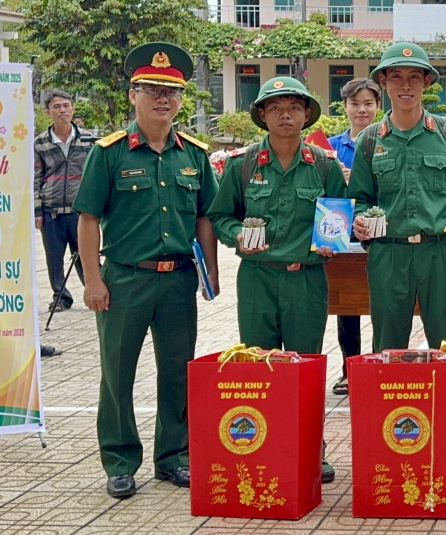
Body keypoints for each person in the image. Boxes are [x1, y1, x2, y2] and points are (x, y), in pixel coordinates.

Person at [75, 42, 219, 500]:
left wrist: (210, 276)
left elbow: (205, 217)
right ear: (133, 94)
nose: (163, 99)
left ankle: (174, 457)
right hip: (124, 278)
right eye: (153, 90)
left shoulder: (194, 154)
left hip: (177, 278)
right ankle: (120, 461)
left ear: (181, 100)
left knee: (178, 371)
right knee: (117, 372)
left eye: (172, 92)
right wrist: (92, 281)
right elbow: (88, 218)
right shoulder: (110, 152)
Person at [208, 77, 344, 484]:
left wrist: (333, 239)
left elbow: (338, 214)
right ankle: (264, 448)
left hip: (306, 279)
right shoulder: (242, 165)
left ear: (306, 115)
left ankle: (311, 451)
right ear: (263, 115)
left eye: (294, 107)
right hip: (257, 279)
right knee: (259, 367)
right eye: (276, 108)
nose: (285, 115)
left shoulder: (324, 164)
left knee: (306, 367)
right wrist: (237, 237)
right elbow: (220, 216)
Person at [348, 43, 446, 352]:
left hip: (440, 252)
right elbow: (360, 199)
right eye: (396, 77)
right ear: (384, 83)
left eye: (415, 77)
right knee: (387, 346)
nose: (406, 85)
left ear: (426, 82)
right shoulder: (370, 140)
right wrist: (360, 220)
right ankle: (389, 401)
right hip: (389, 254)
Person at [327, 77, 382, 396]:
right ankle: (349, 368)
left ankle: (375, 364)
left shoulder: (386, 140)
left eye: (368, 104)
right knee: (346, 305)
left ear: (378, 106)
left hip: (377, 236)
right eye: (355, 104)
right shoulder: (330, 147)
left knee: (381, 303)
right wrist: (339, 178)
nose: (362, 110)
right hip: (342, 238)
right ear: (344, 107)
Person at [34, 90, 95, 313]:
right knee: (54, 257)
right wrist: (37, 210)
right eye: (57, 106)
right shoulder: (40, 143)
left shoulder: (88, 140)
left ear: (73, 109)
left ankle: (94, 291)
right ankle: (60, 297)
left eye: (66, 106)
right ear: (48, 111)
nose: (62, 110)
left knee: (86, 255)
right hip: (51, 210)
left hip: (81, 211)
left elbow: (95, 175)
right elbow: (36, 177)